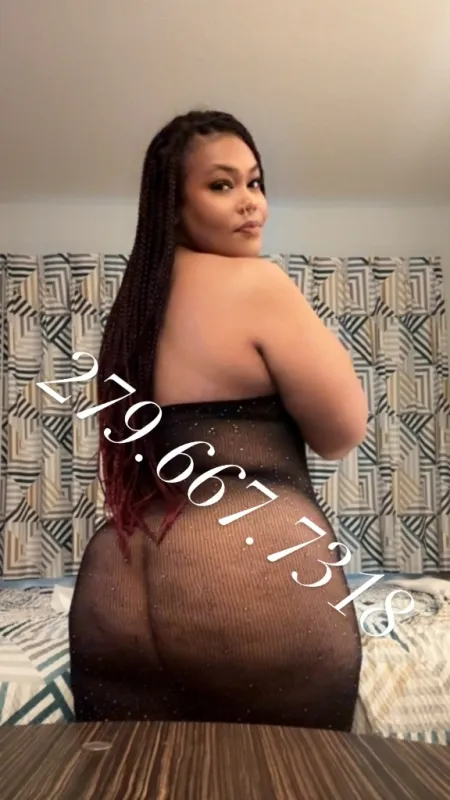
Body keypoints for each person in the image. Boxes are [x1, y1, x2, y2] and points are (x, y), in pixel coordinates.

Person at [69, 109, 368, 730]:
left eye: (255, 182)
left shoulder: (133, 311)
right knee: (289, 775)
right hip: (244, 570)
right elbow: (342, 433)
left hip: (117, 580)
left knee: (136, 777)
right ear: (173, 206)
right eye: (222, 184)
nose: (250, 202)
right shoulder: (257, 284)